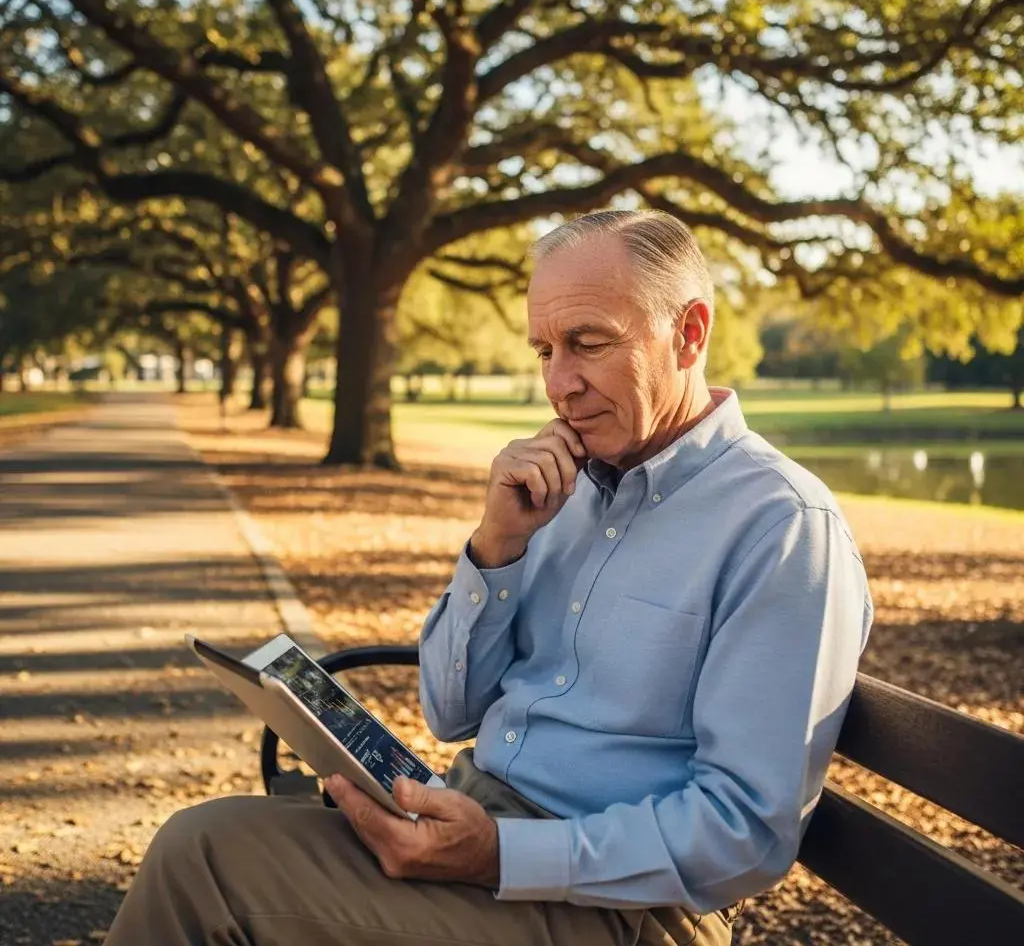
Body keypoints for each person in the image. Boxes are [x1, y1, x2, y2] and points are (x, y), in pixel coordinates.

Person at [104, 210, 872, 946]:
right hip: (475, 821)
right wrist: (494, 547)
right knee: (214, 836)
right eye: (544, 351)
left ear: (689, 332)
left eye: (588, 342)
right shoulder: (558, 488)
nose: (559, 383)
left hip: (621, 910)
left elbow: (745, 830)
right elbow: (447, 709)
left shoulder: (781, 526)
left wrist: (504, 854)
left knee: (202, 861)